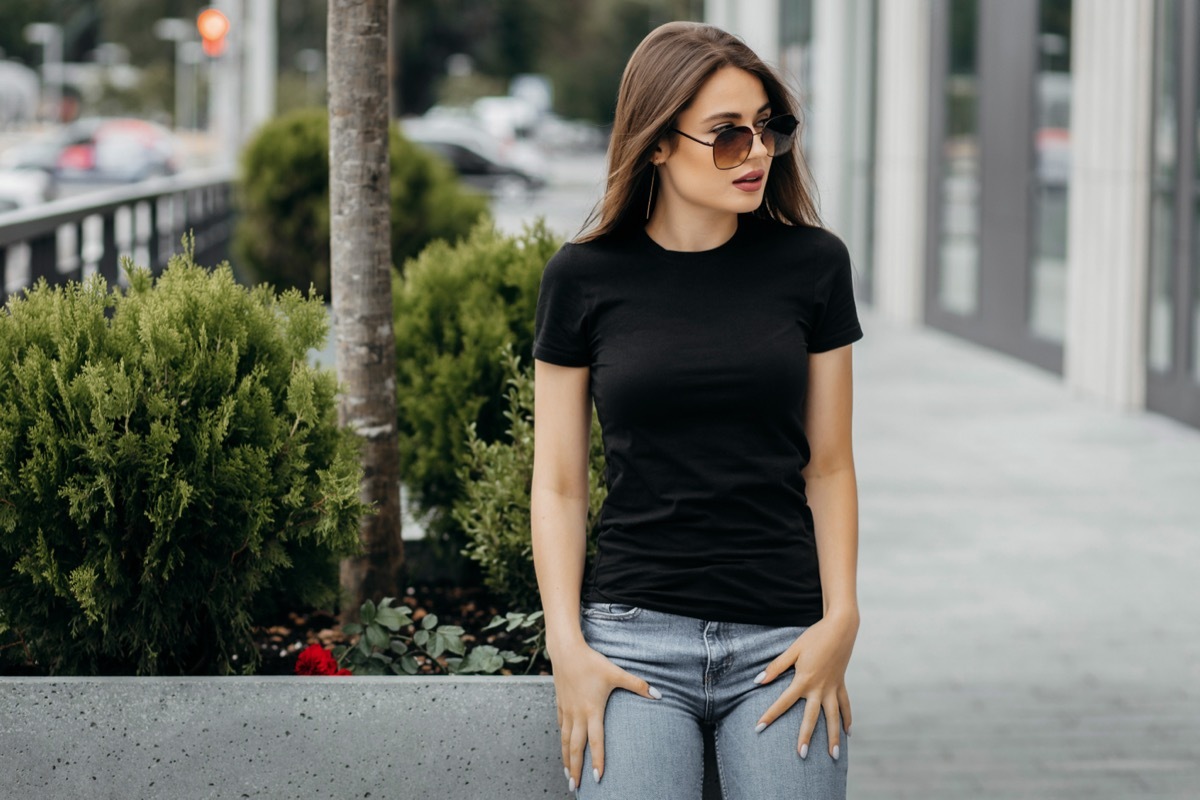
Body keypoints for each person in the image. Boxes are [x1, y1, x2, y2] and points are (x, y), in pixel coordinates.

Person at [530, 20, 863, 799]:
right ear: (655, 144)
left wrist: (840, 621)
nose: (755, 154)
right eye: (724, 136)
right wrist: (566, 647)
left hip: (785, 639)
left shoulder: (815, 265)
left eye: (766, 130)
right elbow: (558, 485)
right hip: (631, 644)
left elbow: (832, 465)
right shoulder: (581, 278)